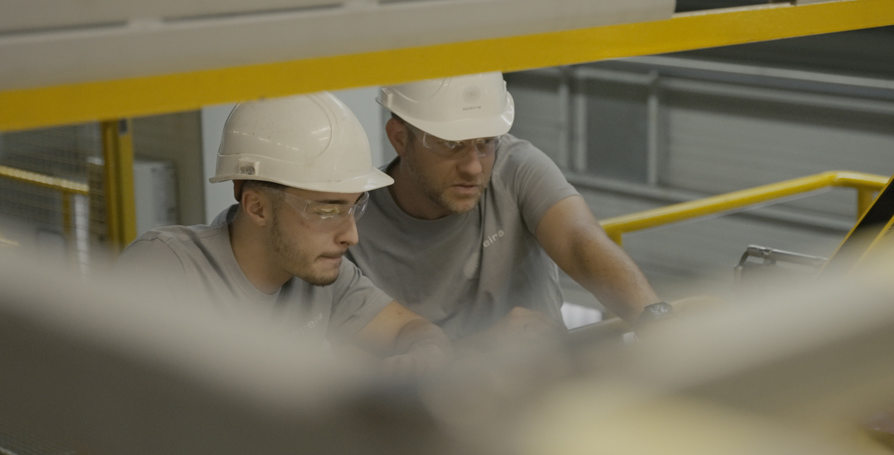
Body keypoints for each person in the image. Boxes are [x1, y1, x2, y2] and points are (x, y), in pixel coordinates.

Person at [116, 91, 450, 371]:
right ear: (257, 207)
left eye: (353, 207)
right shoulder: (166, 270)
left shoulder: (320, 276)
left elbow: (412, 329)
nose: (351, 235)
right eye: (326, 210)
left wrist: (423, 360)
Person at [347, 72, 669, 341]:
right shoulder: (352, 229)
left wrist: (655, 318)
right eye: (451, 144)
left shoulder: (516, 168)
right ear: (400, 138)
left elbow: (580, 242)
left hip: (538, 395)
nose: (473, 167)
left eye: (486, 142)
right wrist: (484, 352)